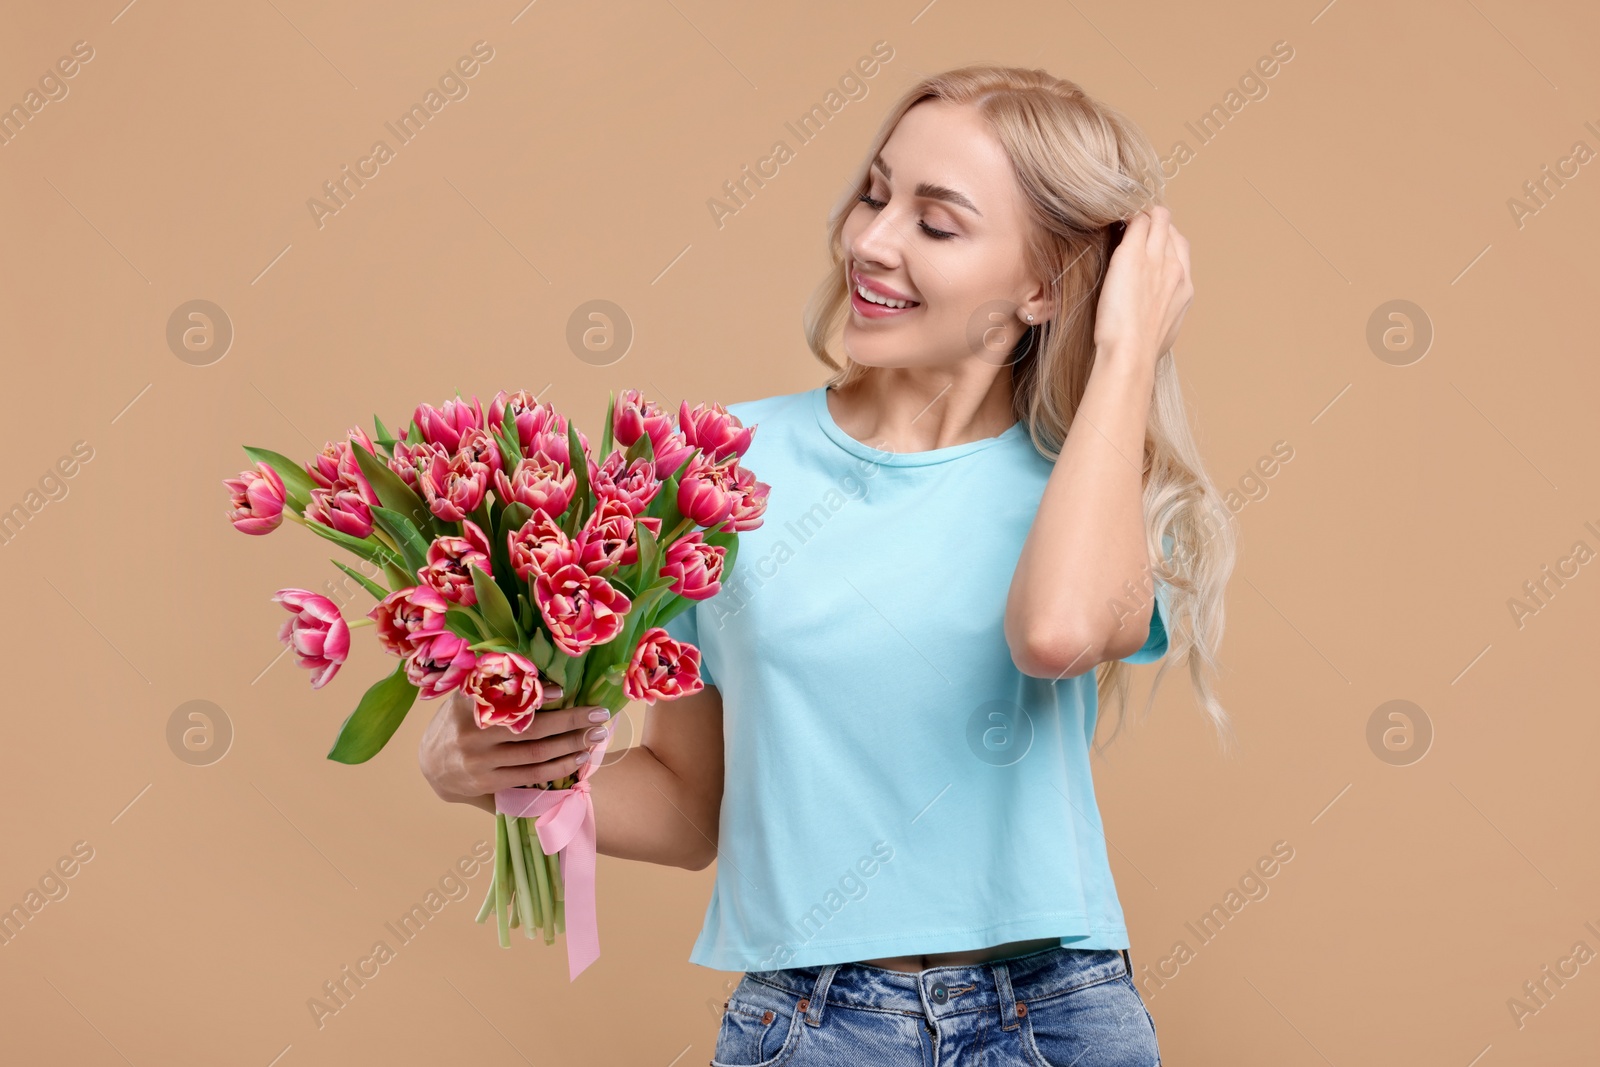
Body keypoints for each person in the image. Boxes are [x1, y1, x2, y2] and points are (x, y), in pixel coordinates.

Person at [419, 63, 1236, 1067]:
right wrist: (502, 775)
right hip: (816, 1026)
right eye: (874, 193)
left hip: (1056, 1017)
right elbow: (685, 803)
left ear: (1044, 284)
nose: (871, 241)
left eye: (935, 223)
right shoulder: (712, 471)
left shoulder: (1091, 485)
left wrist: (1122, 352)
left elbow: (1055, 632)